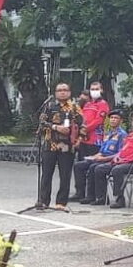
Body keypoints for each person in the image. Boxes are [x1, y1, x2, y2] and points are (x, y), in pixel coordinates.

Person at [36, 82, 83, 210]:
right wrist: (55, 127)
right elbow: (42, 122)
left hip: (67, 145)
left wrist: (79, 140)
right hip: (50, 144)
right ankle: (43, 201)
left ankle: (61, 202)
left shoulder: (75, 107)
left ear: (69, 92)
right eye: (60, 90)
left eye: (65, 90)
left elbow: (82, 126)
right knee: (46, 174)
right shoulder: (49, 106)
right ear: (56, 93)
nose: (62, 92)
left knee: (65, 175)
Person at [91, 110, 133, 208]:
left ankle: (119, 199)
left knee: (117, 170)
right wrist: (117, 156)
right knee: (99, 169)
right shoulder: (131, 135)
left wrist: (123, 160)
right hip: (122, 161)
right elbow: (123, 149)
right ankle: (101, 198)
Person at [74, 110, 127, 203]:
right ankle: (81, 193)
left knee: (95, 167)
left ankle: (100, 197)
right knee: (79, 165)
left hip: (112, 160)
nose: (113, 120)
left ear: (121, 121)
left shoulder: (122, 135)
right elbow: (102, 151)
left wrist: (104, 158)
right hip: (102, 158)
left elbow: (120, 154)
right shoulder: (108, 134)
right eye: (111, 118)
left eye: (116, 118)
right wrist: (93, 157)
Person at [77, 82, 110, 160]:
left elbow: (98, 121)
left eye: (97, 89)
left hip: (95, 139)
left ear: (101, 90)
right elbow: (82, 118)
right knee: (81, 162)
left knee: (92, 163)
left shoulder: (103, 104)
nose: (94, 91)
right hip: (84, 139)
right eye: (92, 89)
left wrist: (85, 129)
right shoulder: (87, 104)